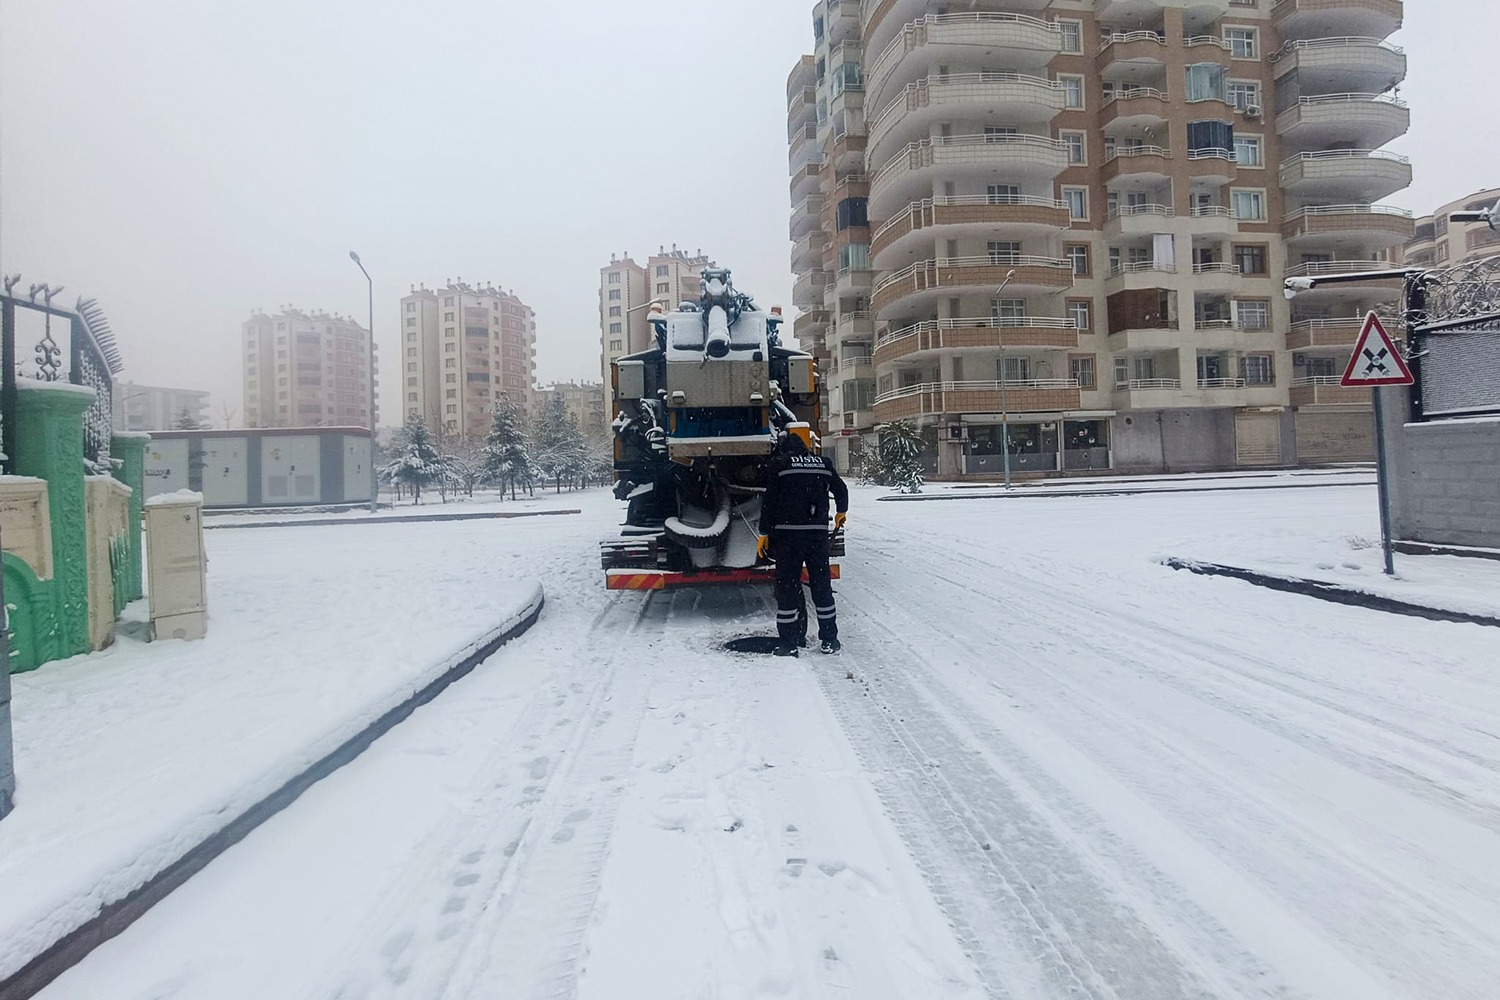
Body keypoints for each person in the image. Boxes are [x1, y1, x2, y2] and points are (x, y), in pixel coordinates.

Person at [757, 426, 848, 657]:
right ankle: (829, 639)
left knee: (787, 588)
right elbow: (841, 489)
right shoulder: (823, 464)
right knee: (821, 586)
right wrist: (841, 513)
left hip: (788, 538)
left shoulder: (780, 465)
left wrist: (763, 533)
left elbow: (769, 501)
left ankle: (788, 644)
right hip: (816, 537)